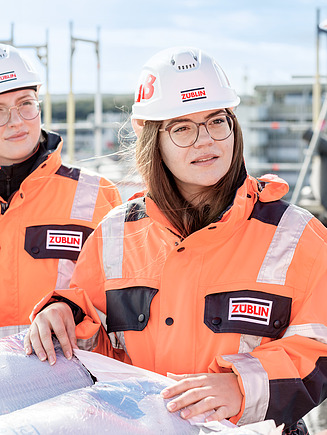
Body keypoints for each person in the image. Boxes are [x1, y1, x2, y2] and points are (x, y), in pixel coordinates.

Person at [24, 47, 327, 434]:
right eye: (182, 127)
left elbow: (319, 346)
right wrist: (62, 312)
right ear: (154, 141)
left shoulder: (298, 236)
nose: (205, 140)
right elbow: (91, 333)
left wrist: (242, 386)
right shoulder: (116, 233)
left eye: (216, 121)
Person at [0, 44, 121, 338]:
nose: (16, 121)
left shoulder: (98, 195)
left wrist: (74, 311)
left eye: (25, 103)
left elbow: (122, 313)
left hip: (71, 380)